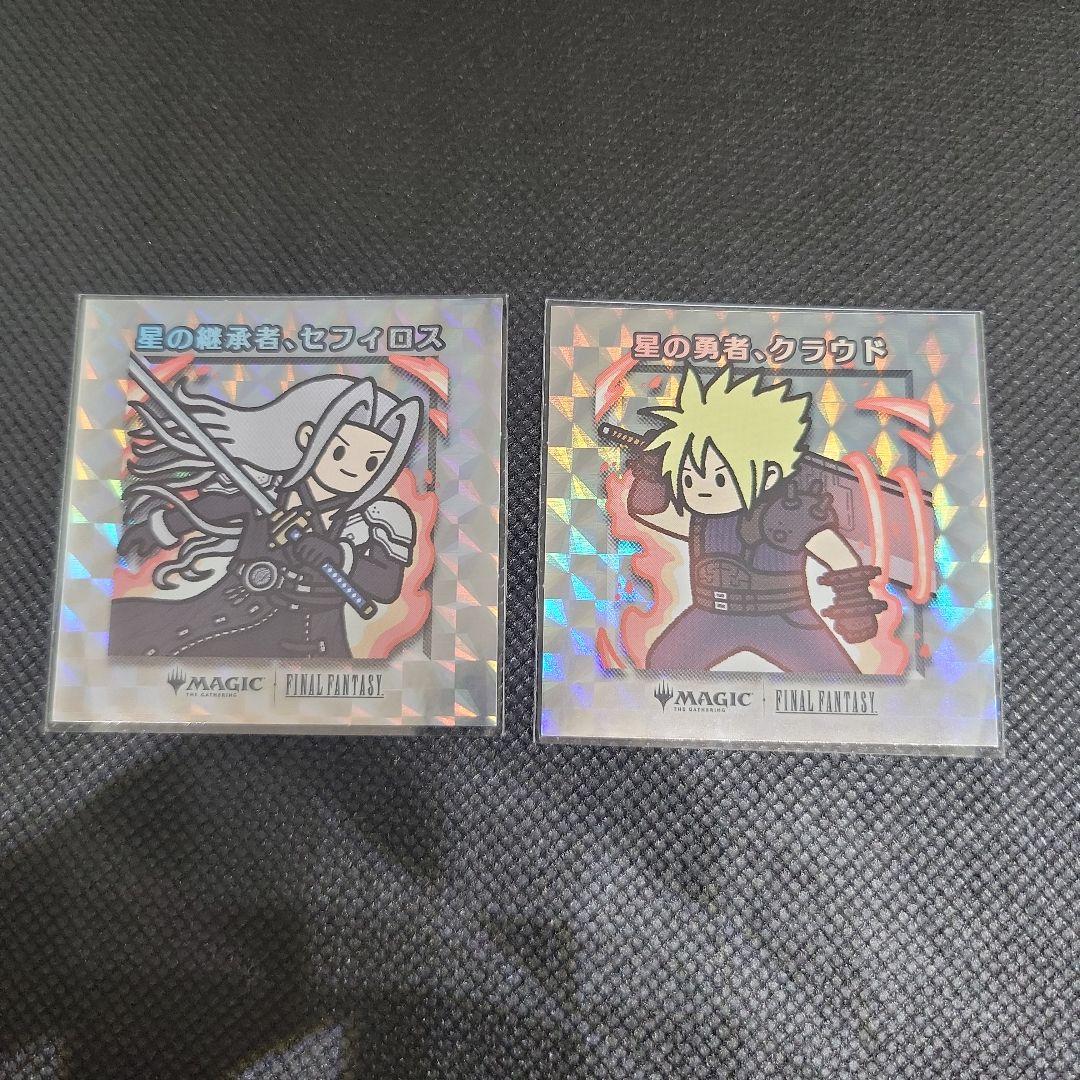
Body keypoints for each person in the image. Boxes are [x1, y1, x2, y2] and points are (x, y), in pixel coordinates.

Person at [110, 374, 423, 659]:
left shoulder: (378, 518)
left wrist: (340, 557)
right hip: (229, 616)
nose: (353, 470)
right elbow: (218, 507)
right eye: (340, 452)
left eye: (372, 463)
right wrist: (161, 528)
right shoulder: (268, 492)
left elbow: (386, 585)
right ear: (309, 438)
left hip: (318, 642)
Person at [627, 363, 886, 674]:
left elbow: (839, 556)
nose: (701, 490)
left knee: (835, 680)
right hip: (711, 615)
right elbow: (653, 513)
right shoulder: (704, 519)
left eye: (719, 478)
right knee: (664, 665)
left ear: (770, 474)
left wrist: (854, 604)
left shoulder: (785, 513)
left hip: (783, 619)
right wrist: (652, 475)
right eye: (689, 478)